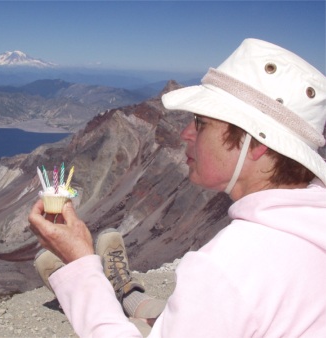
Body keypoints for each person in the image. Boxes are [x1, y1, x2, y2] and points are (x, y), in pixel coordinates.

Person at [28, 38, 326, 337]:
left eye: (201, 122)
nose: (185, 133)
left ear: (256, 144)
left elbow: (229, 293)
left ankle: (108, 291)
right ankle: (128, 295)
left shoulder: (228, 269)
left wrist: (79, 263)